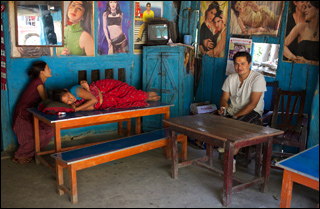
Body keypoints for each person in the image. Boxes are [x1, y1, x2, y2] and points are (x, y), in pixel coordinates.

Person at [217, 51, 267, 172]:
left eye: (243, 63)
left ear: (249, 64)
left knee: (236, 127)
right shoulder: (231, 78)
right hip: (233, 110)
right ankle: (223, 145)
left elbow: (253, 104)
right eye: (237, 64)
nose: (239, 67)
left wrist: (234, 117)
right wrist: (223, 108)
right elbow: (224, 99)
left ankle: (231, 161)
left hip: (252, 112)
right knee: (213, 119)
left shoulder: (258, 78)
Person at [12, 61, 54, 164]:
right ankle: (20, 156)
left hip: (31, 114)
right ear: (41, 72)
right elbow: (46, 102)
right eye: (48, 68)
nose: (50, 70)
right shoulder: (38, 82)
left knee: (49, 130)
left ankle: (34, 154)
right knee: (38, 135)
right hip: (22, 115)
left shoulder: (41, 83)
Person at [50, 79, 161, 111]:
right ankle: (152, 98)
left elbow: (93, 100)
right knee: (132, 101)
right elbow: (90, 106)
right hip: (108, 100)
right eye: (67, 101)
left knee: (139, 95)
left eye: (68, 96)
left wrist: (77, 109)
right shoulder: (75, 103)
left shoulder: (75, 90)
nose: (71, 99)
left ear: (67, 90)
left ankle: (158, 97)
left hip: (108, 90)